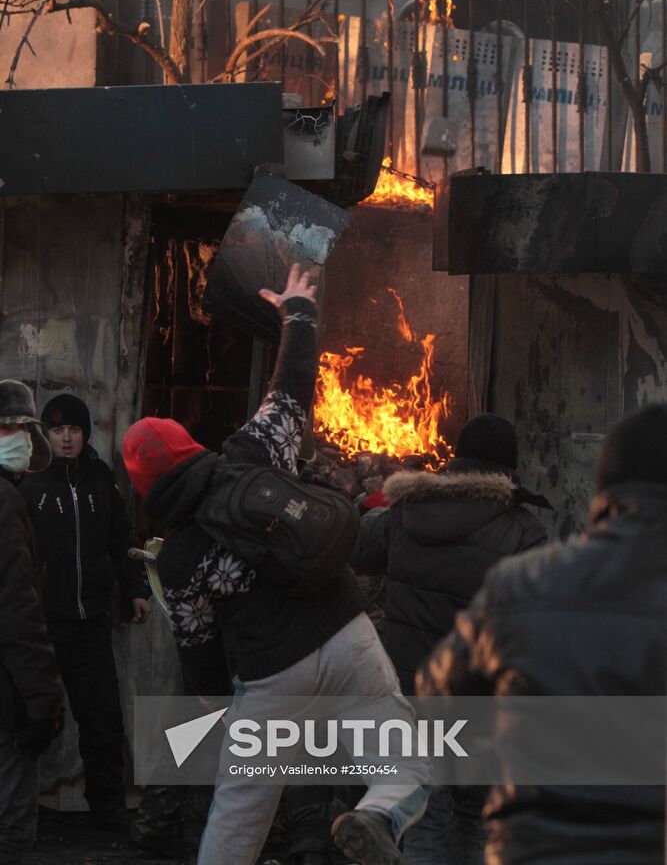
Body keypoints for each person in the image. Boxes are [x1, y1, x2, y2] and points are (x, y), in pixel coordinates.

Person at [122, 264, 428, 865]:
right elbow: (292, 387)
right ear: (188, 444)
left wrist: (221, 712)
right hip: (345, 631)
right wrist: (297, 311)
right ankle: (375, 815)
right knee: (406, 755)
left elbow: (200, 658)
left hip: (269, 675)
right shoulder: (251, 452)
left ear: (145, 489)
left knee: (238, 817)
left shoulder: (178, 559)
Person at [417, 403, 667, 864]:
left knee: (431, 816)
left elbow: (438, 690)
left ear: (604, 486)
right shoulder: (523, 539)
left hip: (529, 849)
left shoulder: (520, 582)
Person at [351, 413, 549, 865]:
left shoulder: (406, 512)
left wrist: (366, 506)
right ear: (509, 468)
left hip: (410, 694)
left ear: (455, 460)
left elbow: (358, 550)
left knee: (427, 817)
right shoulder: (523, 531)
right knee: (474, 817)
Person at [19, 393, 151, 827]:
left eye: (74, 430)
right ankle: (21, 814)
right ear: (46, 435)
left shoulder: (101, 478)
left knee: (102, 720)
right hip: (42, 626)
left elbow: (120, 539)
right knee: (31, 721)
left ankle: (109, 810)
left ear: (84, 433)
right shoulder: (29, 483)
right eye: (58, 431)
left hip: (91, 623)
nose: (67, 438)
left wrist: (134, 589)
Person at [0, 380, 63, 864]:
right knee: (11, 828)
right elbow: (18, 611)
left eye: (22, 427)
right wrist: (43, 698)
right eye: (6, 427)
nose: (17, 437)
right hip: (5, 700)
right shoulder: (5, 504)